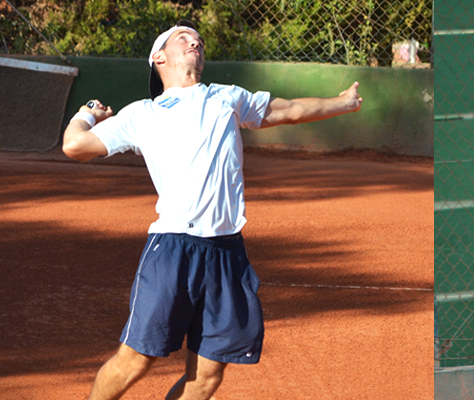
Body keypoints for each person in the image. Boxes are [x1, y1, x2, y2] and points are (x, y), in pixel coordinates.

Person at [62, 20, 362, 400]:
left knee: (206, 375)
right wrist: (89, 111)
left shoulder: (226, 97)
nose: (195, 42)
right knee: (136, 359)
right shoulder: (142, 114)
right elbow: (74, 145)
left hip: (226, 252)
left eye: (198, 39)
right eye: (183, 38)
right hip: (173, 249)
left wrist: (344, 103)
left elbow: (288, 109)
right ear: (158, 56)